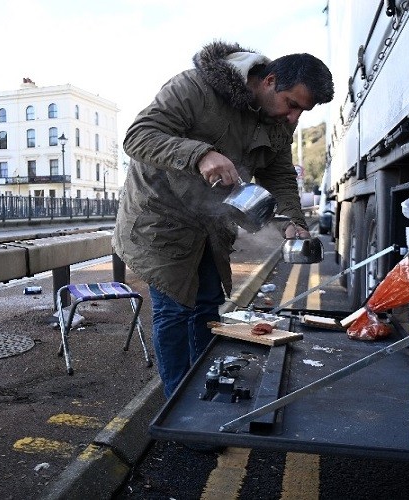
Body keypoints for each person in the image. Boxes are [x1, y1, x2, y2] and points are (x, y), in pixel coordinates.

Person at [114, 41, 334, 399]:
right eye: (291, 104)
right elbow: (138, 137)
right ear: (269, 80)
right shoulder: (193, 87)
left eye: (301, 111)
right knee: (174, 310)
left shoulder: (280, 122)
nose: (293, 117)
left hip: (212, 220)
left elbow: (278, 175)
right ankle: (178, 405)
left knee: (206, 305)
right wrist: (200, 154)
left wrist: (292, 221)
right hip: (160, 217)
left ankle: (202, 391)